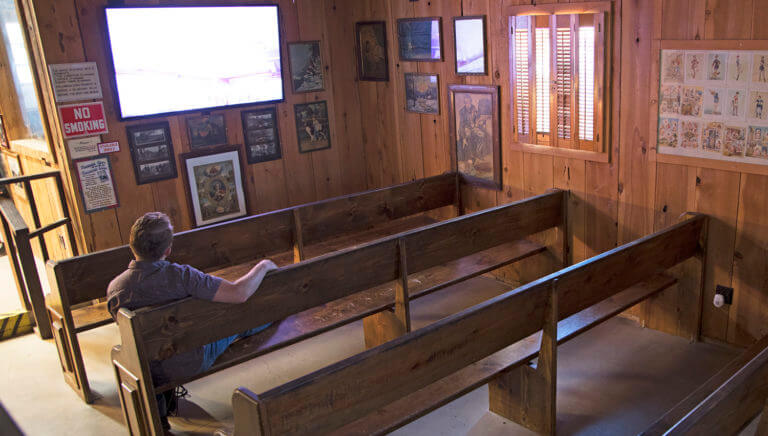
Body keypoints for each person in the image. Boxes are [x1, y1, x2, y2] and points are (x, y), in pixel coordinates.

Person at [107, 212, 278, 431]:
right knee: (238, 319)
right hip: (190, 361)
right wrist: (264, 265)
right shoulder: (182, 276)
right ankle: (273, 314)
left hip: (145, 364)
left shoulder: (115, 289)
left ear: (132, 245)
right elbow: (239, 293)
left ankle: (162, 402)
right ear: (168, 249)